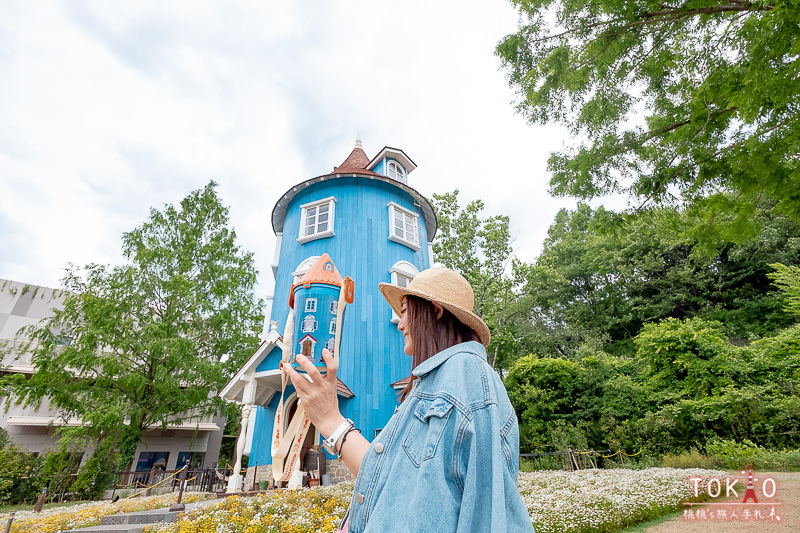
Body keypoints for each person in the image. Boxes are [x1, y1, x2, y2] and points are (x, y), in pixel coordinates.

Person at [286, 267, 534, 532]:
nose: (400, 323)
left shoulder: (467, 375)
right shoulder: (436, 382)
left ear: (436, 311)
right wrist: (329, 419)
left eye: (404, 310)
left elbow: (490, 514)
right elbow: (387, 479)